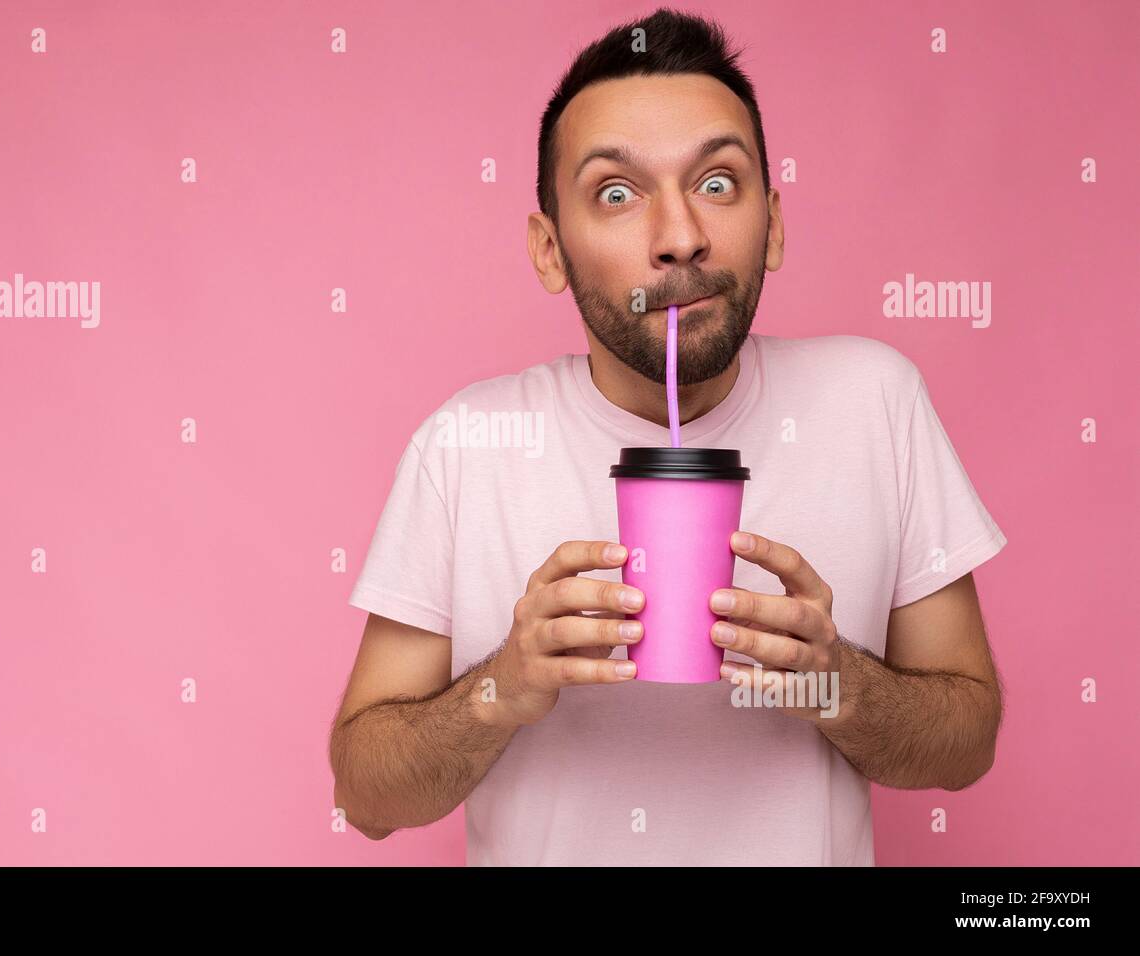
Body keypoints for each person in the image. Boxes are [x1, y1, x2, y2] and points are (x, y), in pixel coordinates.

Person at [329, 7, 1007, 866]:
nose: (681, 237)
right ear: (548, 251)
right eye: (616, 193)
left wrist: (837, 679)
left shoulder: (876, 401)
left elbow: (967, 744)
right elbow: (365, 796)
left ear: (776, 223)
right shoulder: (464, 447)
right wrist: (505, 683)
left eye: (718, 182)